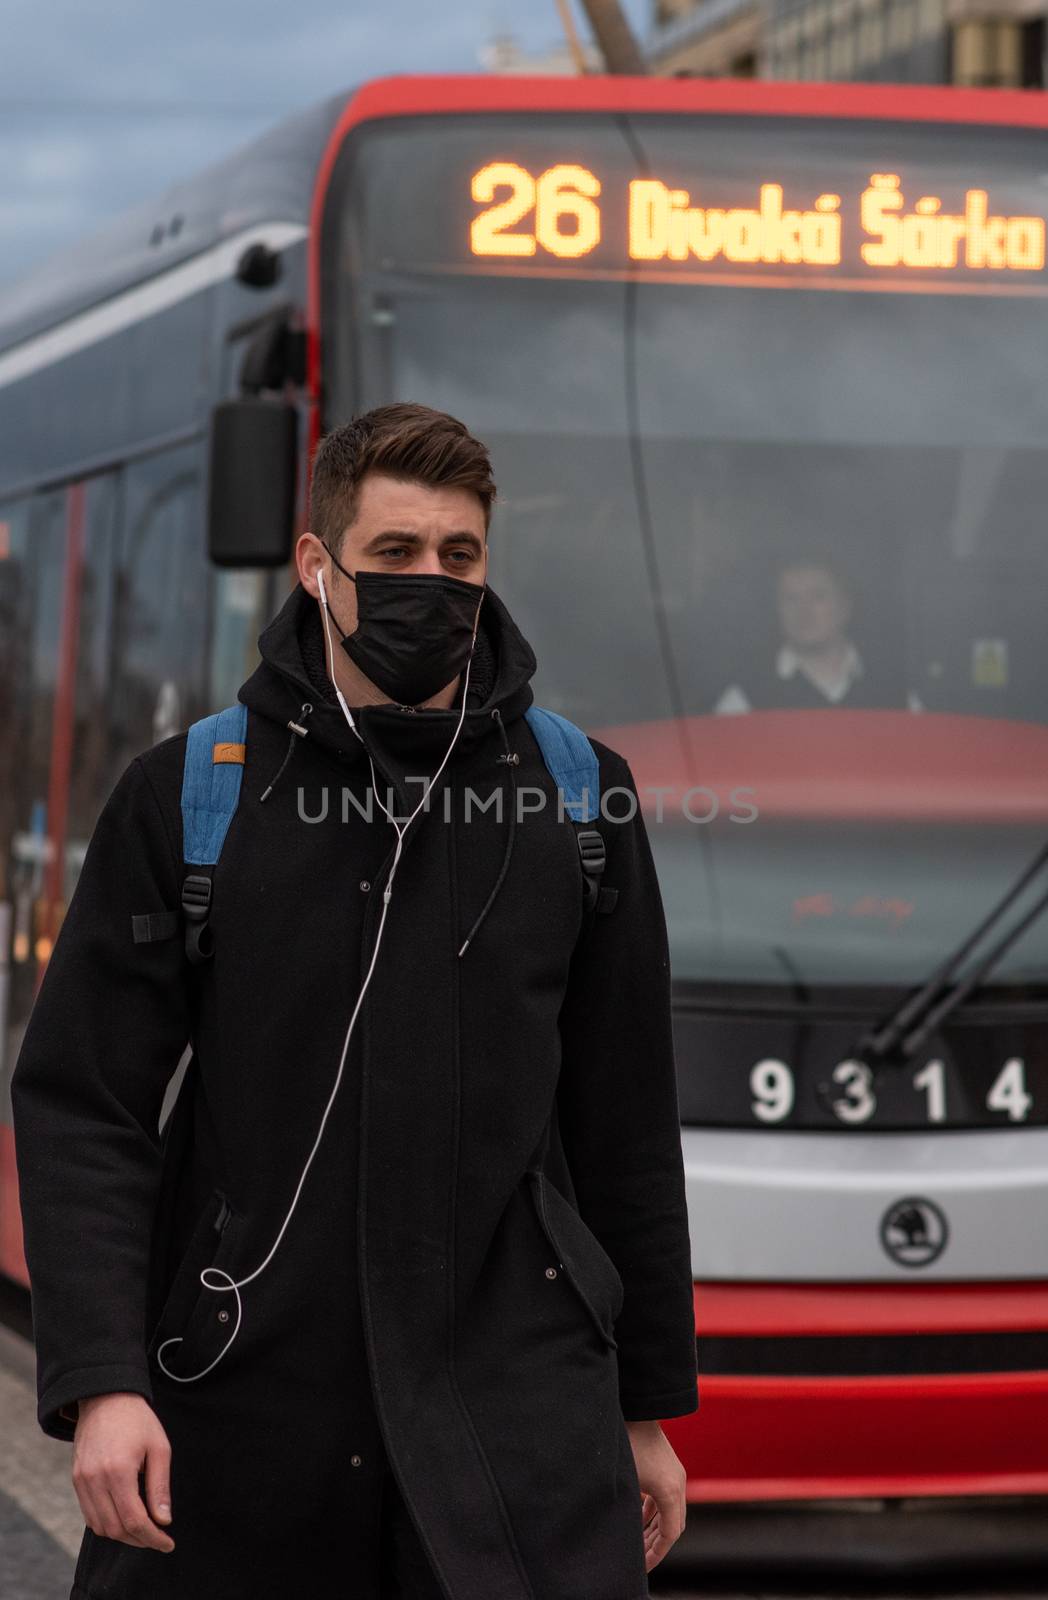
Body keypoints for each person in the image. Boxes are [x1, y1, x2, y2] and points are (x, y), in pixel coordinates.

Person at [11, 403, 699, 1600]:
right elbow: (86, 1102)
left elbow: (626, 1123)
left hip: (519, 1417)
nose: (429, 581)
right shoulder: (187, 794)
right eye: (394, 555)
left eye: (459, 557)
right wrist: (105, 1381)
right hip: (235, 1408)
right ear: (318, 565)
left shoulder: (583, 799)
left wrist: (644, 1408)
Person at [714, 555, 920, 713]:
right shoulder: (745, 698)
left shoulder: (893, 694)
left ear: (845, 607)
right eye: (791, 599)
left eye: (818, 597)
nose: (803, 611)